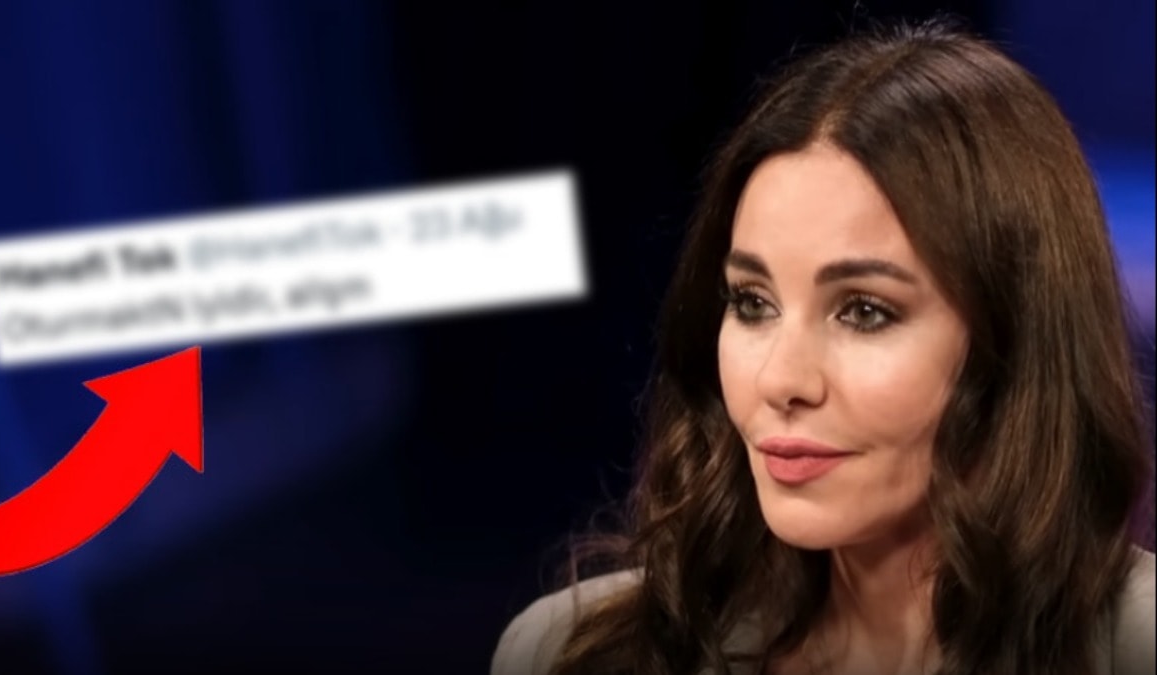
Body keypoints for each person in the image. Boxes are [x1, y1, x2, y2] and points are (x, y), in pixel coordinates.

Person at [490, 17, 1156, 675]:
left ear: (1014, 338)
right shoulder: (571, 654)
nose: (780, 380)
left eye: (864, 311)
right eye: (753, 303)